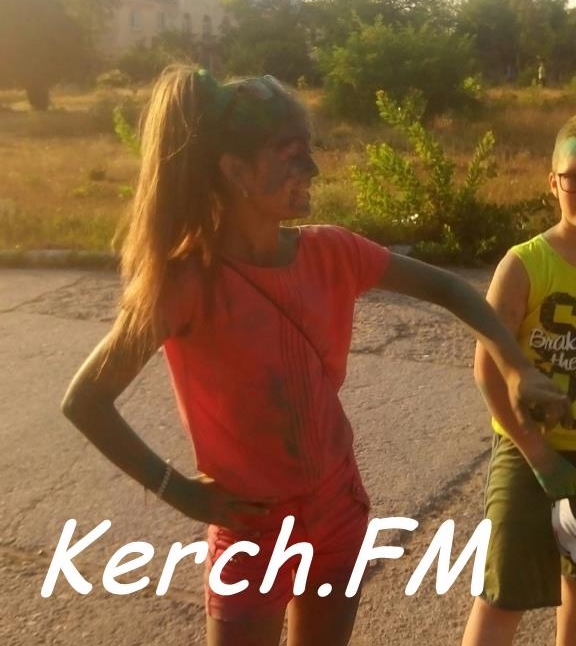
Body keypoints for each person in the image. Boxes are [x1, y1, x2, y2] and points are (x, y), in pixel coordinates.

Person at [62, 66, 570, 646]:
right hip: (251, 532)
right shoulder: (186, 283)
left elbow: (449, 288)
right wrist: (177, 490)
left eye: (310, 151)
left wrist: (515, 368)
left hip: (338, 514)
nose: (313, 169)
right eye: (291, 155)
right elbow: (86, 400)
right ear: (235, 170)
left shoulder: (332, 251)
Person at [462, 116, 576, 646]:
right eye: (572, 176)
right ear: (552, 181)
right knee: (502, 593)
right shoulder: (524, 264)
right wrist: (539, 456)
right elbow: (487, 368)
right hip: (526, 449)